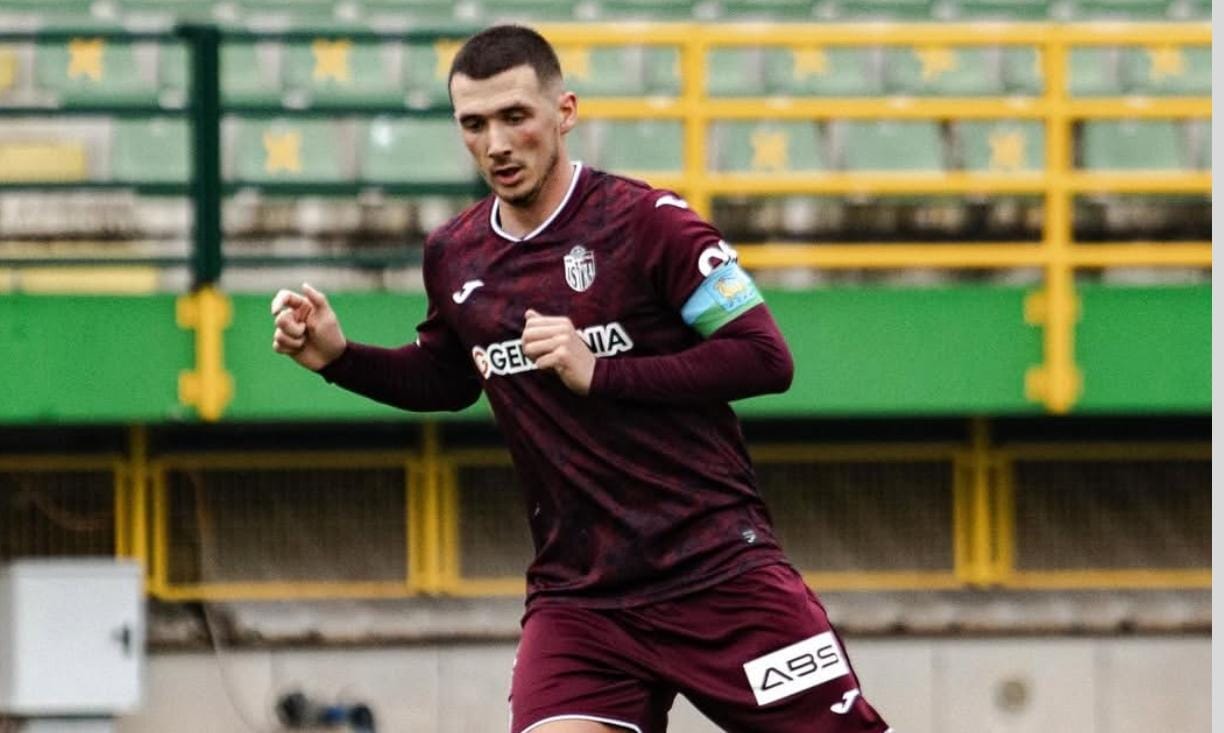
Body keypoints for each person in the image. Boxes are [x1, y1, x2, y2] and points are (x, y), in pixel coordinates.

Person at [271, 24, 891, 733]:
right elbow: (450, 378)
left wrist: (601, 373)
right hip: (581, 598)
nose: (496, 144)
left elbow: (764, 357)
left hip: (718, 572)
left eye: (515, 116)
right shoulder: (454, 252)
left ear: (564, 111)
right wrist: (340, 358)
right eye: (474, 124)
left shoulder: (649, 224)